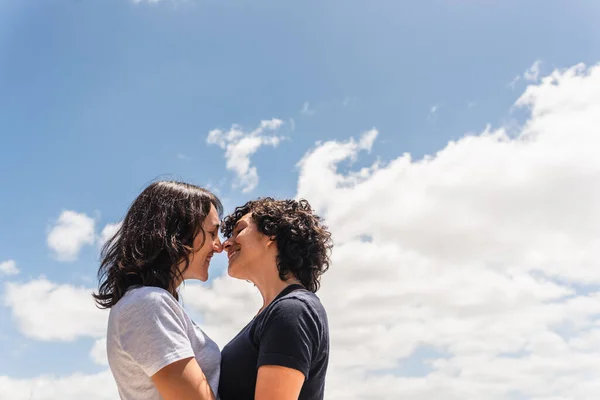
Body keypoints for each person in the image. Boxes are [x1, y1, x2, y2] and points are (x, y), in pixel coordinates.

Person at [93, 181, 223, 400]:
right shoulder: (147, 304)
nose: (219, 246)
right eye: (212, 233)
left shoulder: (150, 302)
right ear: (179, 234)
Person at [218, 197, 333, 400]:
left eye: (239, 231)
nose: (226, 244)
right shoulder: (278, 311)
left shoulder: (293, 310)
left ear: (271, 234)